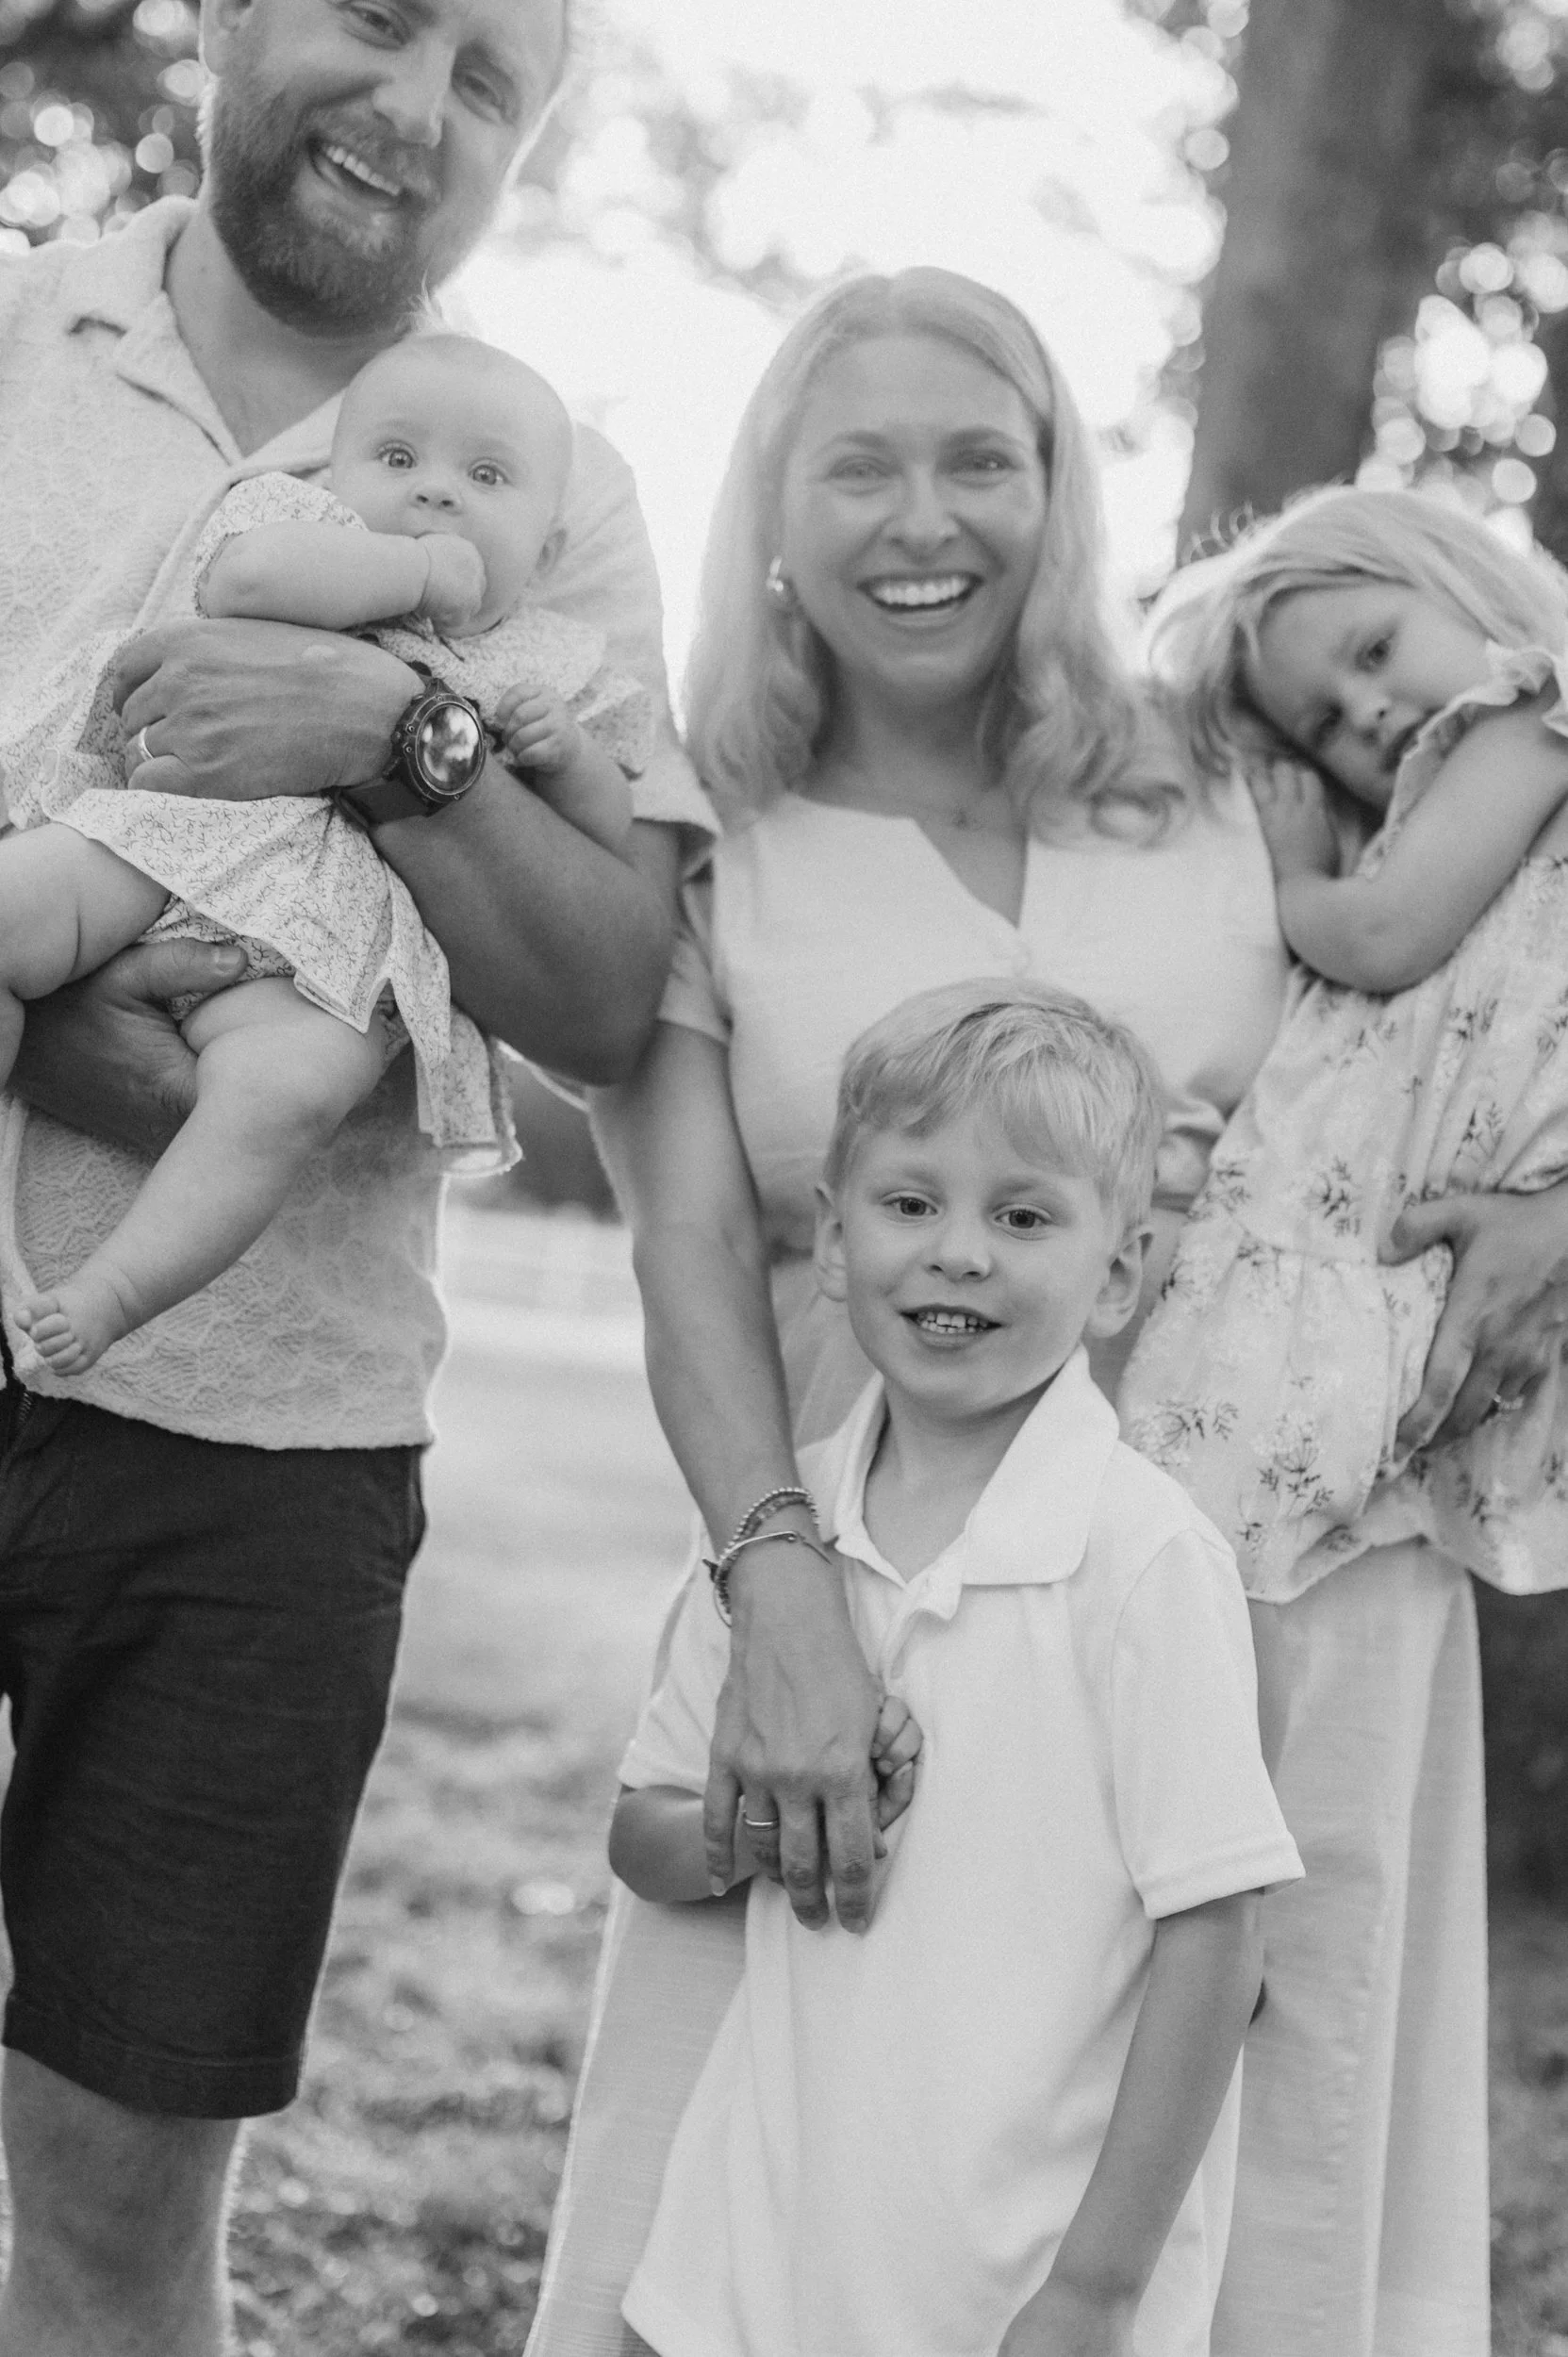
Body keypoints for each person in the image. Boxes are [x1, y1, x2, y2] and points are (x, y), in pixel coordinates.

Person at [535, 270, 1568, 2357]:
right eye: (860, 463)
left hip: (1298, 1566)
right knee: (825, 2168)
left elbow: (1509, 959)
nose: (928, 517)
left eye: (980, 457)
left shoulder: (1224, 762)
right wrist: (782, 1589)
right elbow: (690, 1249)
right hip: (887, 1584)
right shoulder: (702, 831)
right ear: (771, 511)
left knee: (1270, 2181)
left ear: (1058, 487)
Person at [0, 0, 718, 2348]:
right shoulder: (19, 341)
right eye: (382, 18)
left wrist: (384, 732)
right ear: (223, 17)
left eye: (495, 79)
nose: (419, 109)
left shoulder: (545, 486)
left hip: (264, 1464)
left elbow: (607, 994)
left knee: (119, 2222)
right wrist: (132, 1054)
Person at [610, 980, 1303, 2357]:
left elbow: (1216, 1942)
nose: (957, 1255)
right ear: (829, 1236)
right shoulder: (778, 1538)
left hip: (1011, 2289)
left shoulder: (1139, 1556)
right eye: (909, 1204)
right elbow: (641, 1837)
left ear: (1116, 1273)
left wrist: (1096, 2291)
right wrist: (780, 1809)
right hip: (745, 2269)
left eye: (1023, 1216)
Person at [0, 330, 647, 1376]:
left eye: (485, 478)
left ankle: (113, 1292)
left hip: (335, 945)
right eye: (397, 462)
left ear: (551, 548)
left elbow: (607, 836)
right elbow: (247, 582)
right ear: (330, 480)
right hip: (173, 839)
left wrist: (566, 759)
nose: (435, 494)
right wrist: (416, 570)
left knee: (284, 1095)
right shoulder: (299, 534)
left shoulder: (550, 659)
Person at [1123, 487, 1568, 1601]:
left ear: (1461, 576)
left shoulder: (1525, 717)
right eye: (1322, 721)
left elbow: (1380, 936)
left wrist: (1297, 875)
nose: (1365, 710)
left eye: (1375, 648)